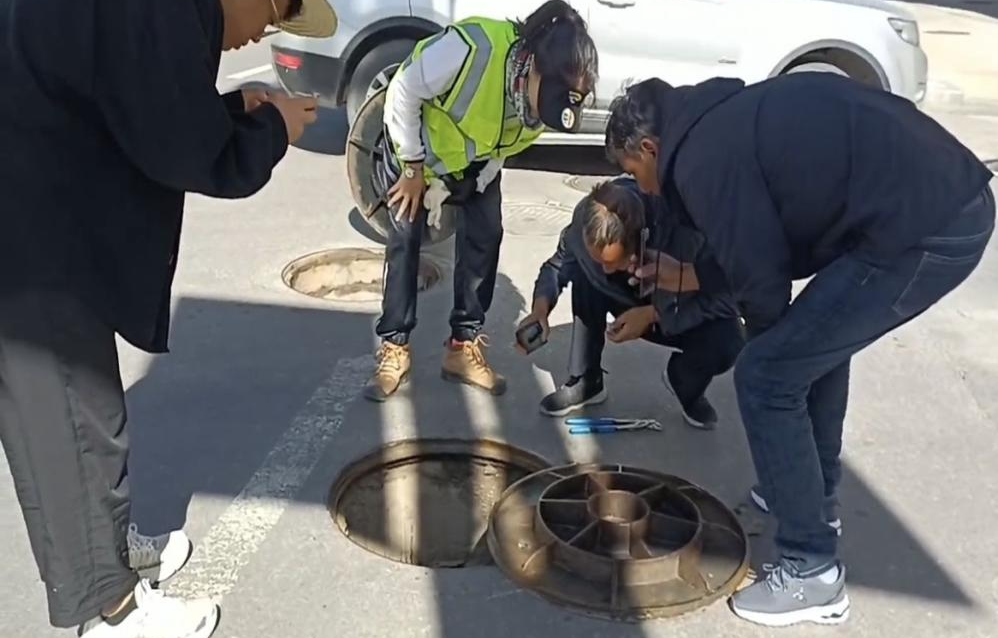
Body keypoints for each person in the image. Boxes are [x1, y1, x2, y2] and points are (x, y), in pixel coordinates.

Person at [604, 74, 995, 627]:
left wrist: (770, 360)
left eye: (634, 173)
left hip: (926, 228)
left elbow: (763, 285)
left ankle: (812, 570)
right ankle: (812, 496)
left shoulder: (700, 161)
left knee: (767, 374)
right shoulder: (714, 124)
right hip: (930, 203)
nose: (642, 189)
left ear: (649, 148)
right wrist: (694, 275)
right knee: (810, 352)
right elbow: (758, 238)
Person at [0, 0, 335, 636]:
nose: (262, 35)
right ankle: (111, 609)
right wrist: (274, 129)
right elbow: (187, 151)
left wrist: (233, 112)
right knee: (72, 415)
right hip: (27, 221)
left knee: (81, 408)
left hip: (41, 193)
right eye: (276, 14)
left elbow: (144, 109)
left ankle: (108, 553)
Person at [364, 0, 599, 402]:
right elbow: (404, 90)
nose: (539, 115)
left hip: (472, 165)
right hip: (415, 151)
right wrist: (413, 169)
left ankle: (463, 346)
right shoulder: (472, 49)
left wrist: (479, 181)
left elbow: (502, 146)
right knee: (405, 236)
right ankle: (394, 346)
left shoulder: (539, 108)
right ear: (532, 65)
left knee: (487, 232)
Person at [518, 178, 744, 427]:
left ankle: (685, 381)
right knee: (583, 273)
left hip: (679, 310)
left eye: (612, 262)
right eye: (599, 260)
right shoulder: (584, 221)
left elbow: (728, 300)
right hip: (626, 299)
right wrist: (540, 309)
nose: (605, 270)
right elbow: (557, 266)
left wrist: (654, 314)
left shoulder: (682, 231)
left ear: (640, 241)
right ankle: (587, 380)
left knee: (730, 340)